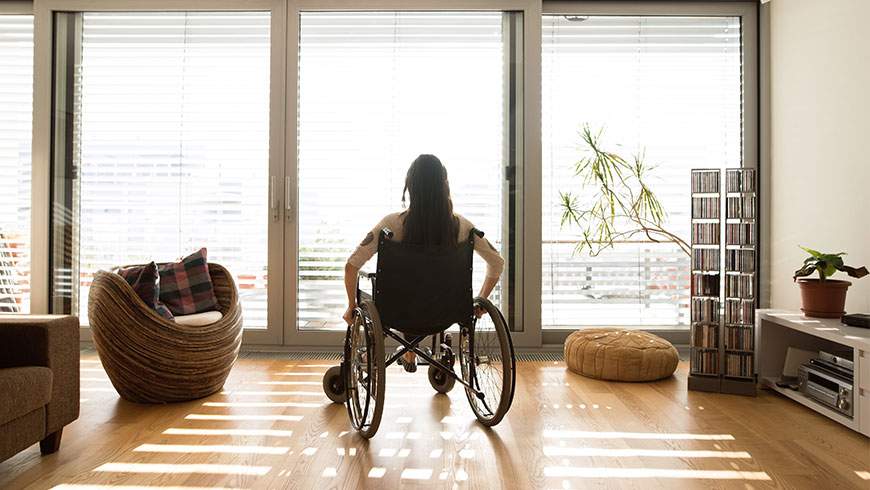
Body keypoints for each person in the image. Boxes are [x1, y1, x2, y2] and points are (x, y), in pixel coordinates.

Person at [343, 154, 504, 372]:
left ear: (410, 187)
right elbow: (497, 262)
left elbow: (352, 265)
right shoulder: (463, 228)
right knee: (426, 291)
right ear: (444, 185)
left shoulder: (391, 226)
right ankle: (411, 351)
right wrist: (480, 301)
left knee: (407, 293)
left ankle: (409, 352)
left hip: (398, 312)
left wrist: (352, 307)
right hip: (446, 312)